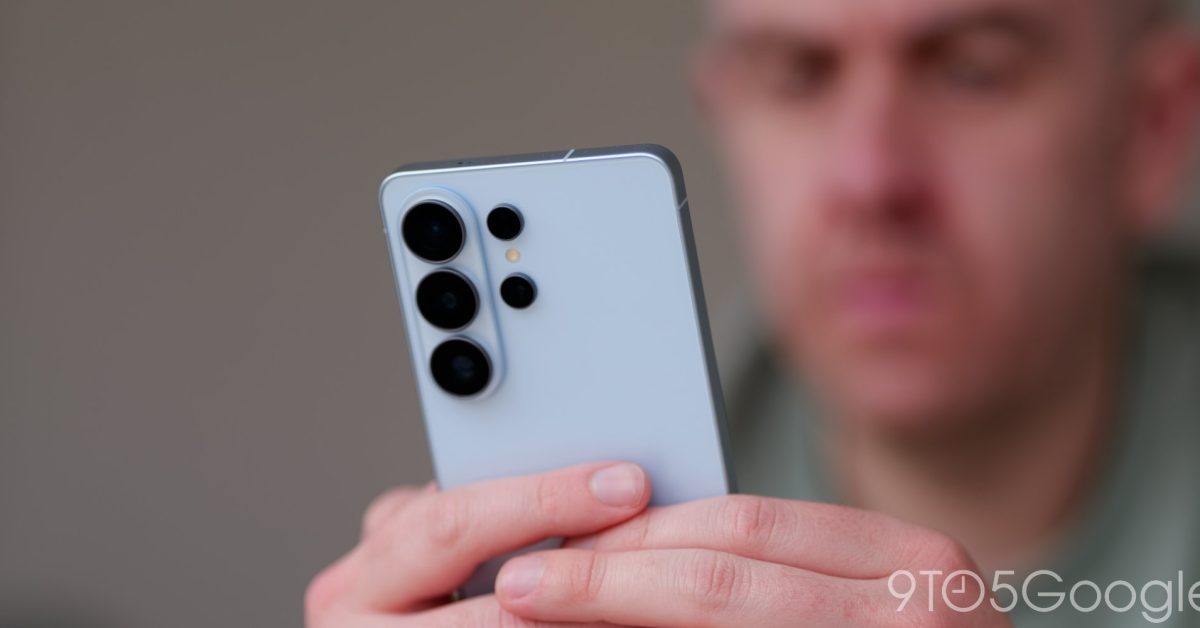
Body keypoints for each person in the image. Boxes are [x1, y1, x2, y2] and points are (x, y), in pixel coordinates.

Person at [306, 0, 1200, 625]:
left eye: (974, 71)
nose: (869, 177)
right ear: (725, 115)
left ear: (1152, 125)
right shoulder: (558, 544)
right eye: (796, 76)